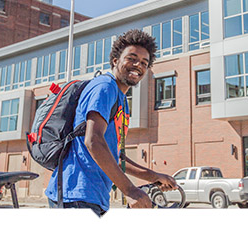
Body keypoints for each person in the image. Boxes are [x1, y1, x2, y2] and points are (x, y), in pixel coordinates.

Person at [45, 29, 178, 217]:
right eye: (131, 58)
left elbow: (116, 156)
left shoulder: (121, 99)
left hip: (92, 196)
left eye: (143, 63)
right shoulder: (105, 87)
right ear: (115, 60)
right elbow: (93, 141)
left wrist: (154, 176)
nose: (137, 65)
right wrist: (130, 191)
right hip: (76, 194)